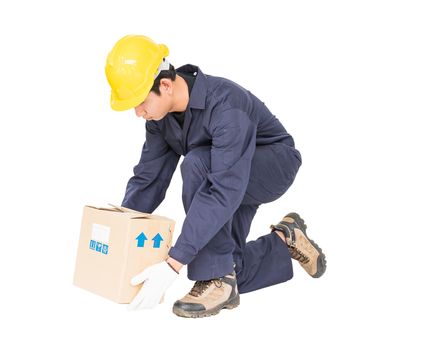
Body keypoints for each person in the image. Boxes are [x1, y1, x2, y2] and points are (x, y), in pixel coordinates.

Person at [105, 35, 326, 318]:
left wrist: (174, 262)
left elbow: (223, 188)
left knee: (197, 164)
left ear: (165, 85)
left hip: (272, 165)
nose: (138, 113)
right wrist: (121, 230)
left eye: (140, 102)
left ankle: (217, 280)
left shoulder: (226, 104)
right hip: (226, 172)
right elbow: (150, 178)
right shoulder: (159, 120)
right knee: (230, 266)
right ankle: (285, 239)